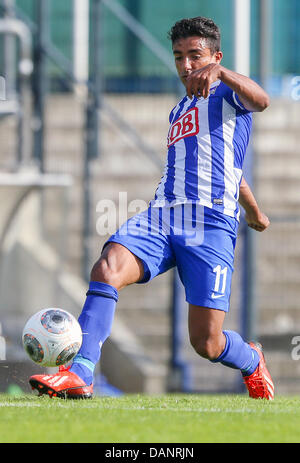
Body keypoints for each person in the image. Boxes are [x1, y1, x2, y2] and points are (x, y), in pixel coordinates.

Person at [29, 16, 274, 400]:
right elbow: (230, 170)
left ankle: (251, 359)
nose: (186, 66)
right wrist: (255, 210)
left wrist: (222, 74)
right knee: (107, 267)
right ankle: (81, 373)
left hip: (210, 225)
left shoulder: (229, 95)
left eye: (196, 56)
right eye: (179, 57)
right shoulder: (179, 111)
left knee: (206, 343)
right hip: (162, 216)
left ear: (216, 57)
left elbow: (263, 100)